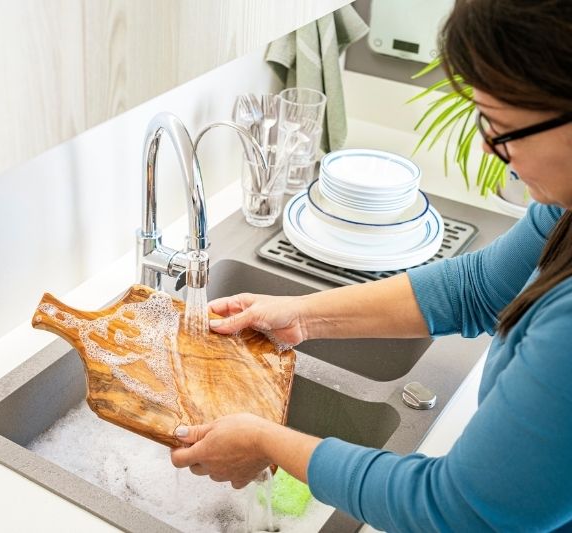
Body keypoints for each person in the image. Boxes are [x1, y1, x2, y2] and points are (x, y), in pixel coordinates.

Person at [169, 0, 572, 530]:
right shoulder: (563, 205)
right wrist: (301, 315)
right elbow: (477, 288)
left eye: (502, 127)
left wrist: (266, 442)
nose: (488, 148)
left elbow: (462, 510)